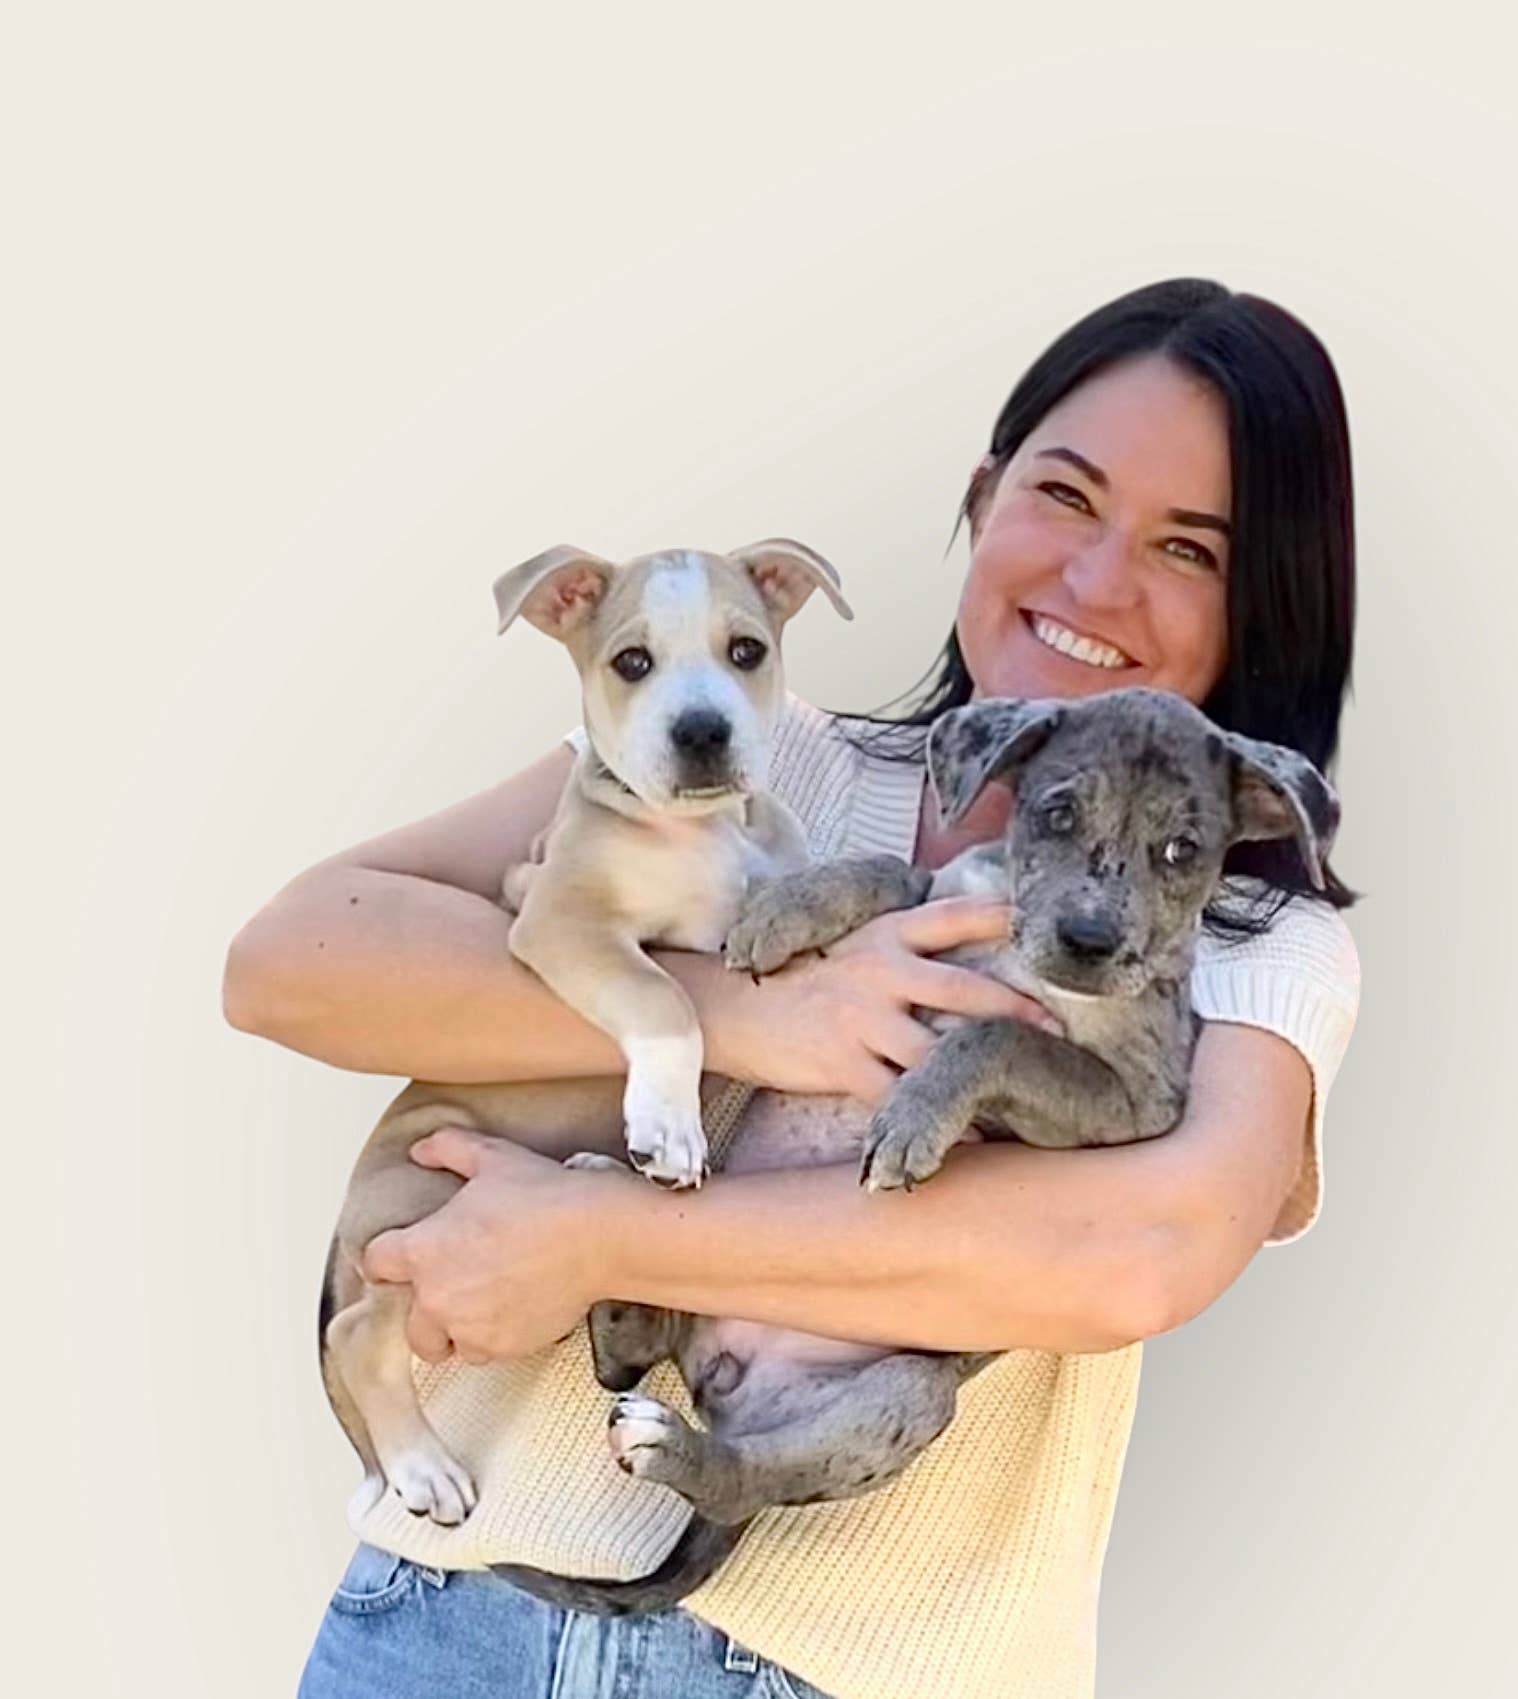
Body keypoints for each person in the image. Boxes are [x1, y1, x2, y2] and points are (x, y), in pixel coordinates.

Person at [225, 276, 1361, 1699]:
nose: (1096, 580)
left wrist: (594, 1239)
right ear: (983, 497)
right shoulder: (749, 760)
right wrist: (742, 1013)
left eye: (1188, 548)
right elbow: (289, 963)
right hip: (450, 1616)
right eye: (1066, 496)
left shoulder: (1252, 931)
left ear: (1265, 602)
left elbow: (1135, 1253)